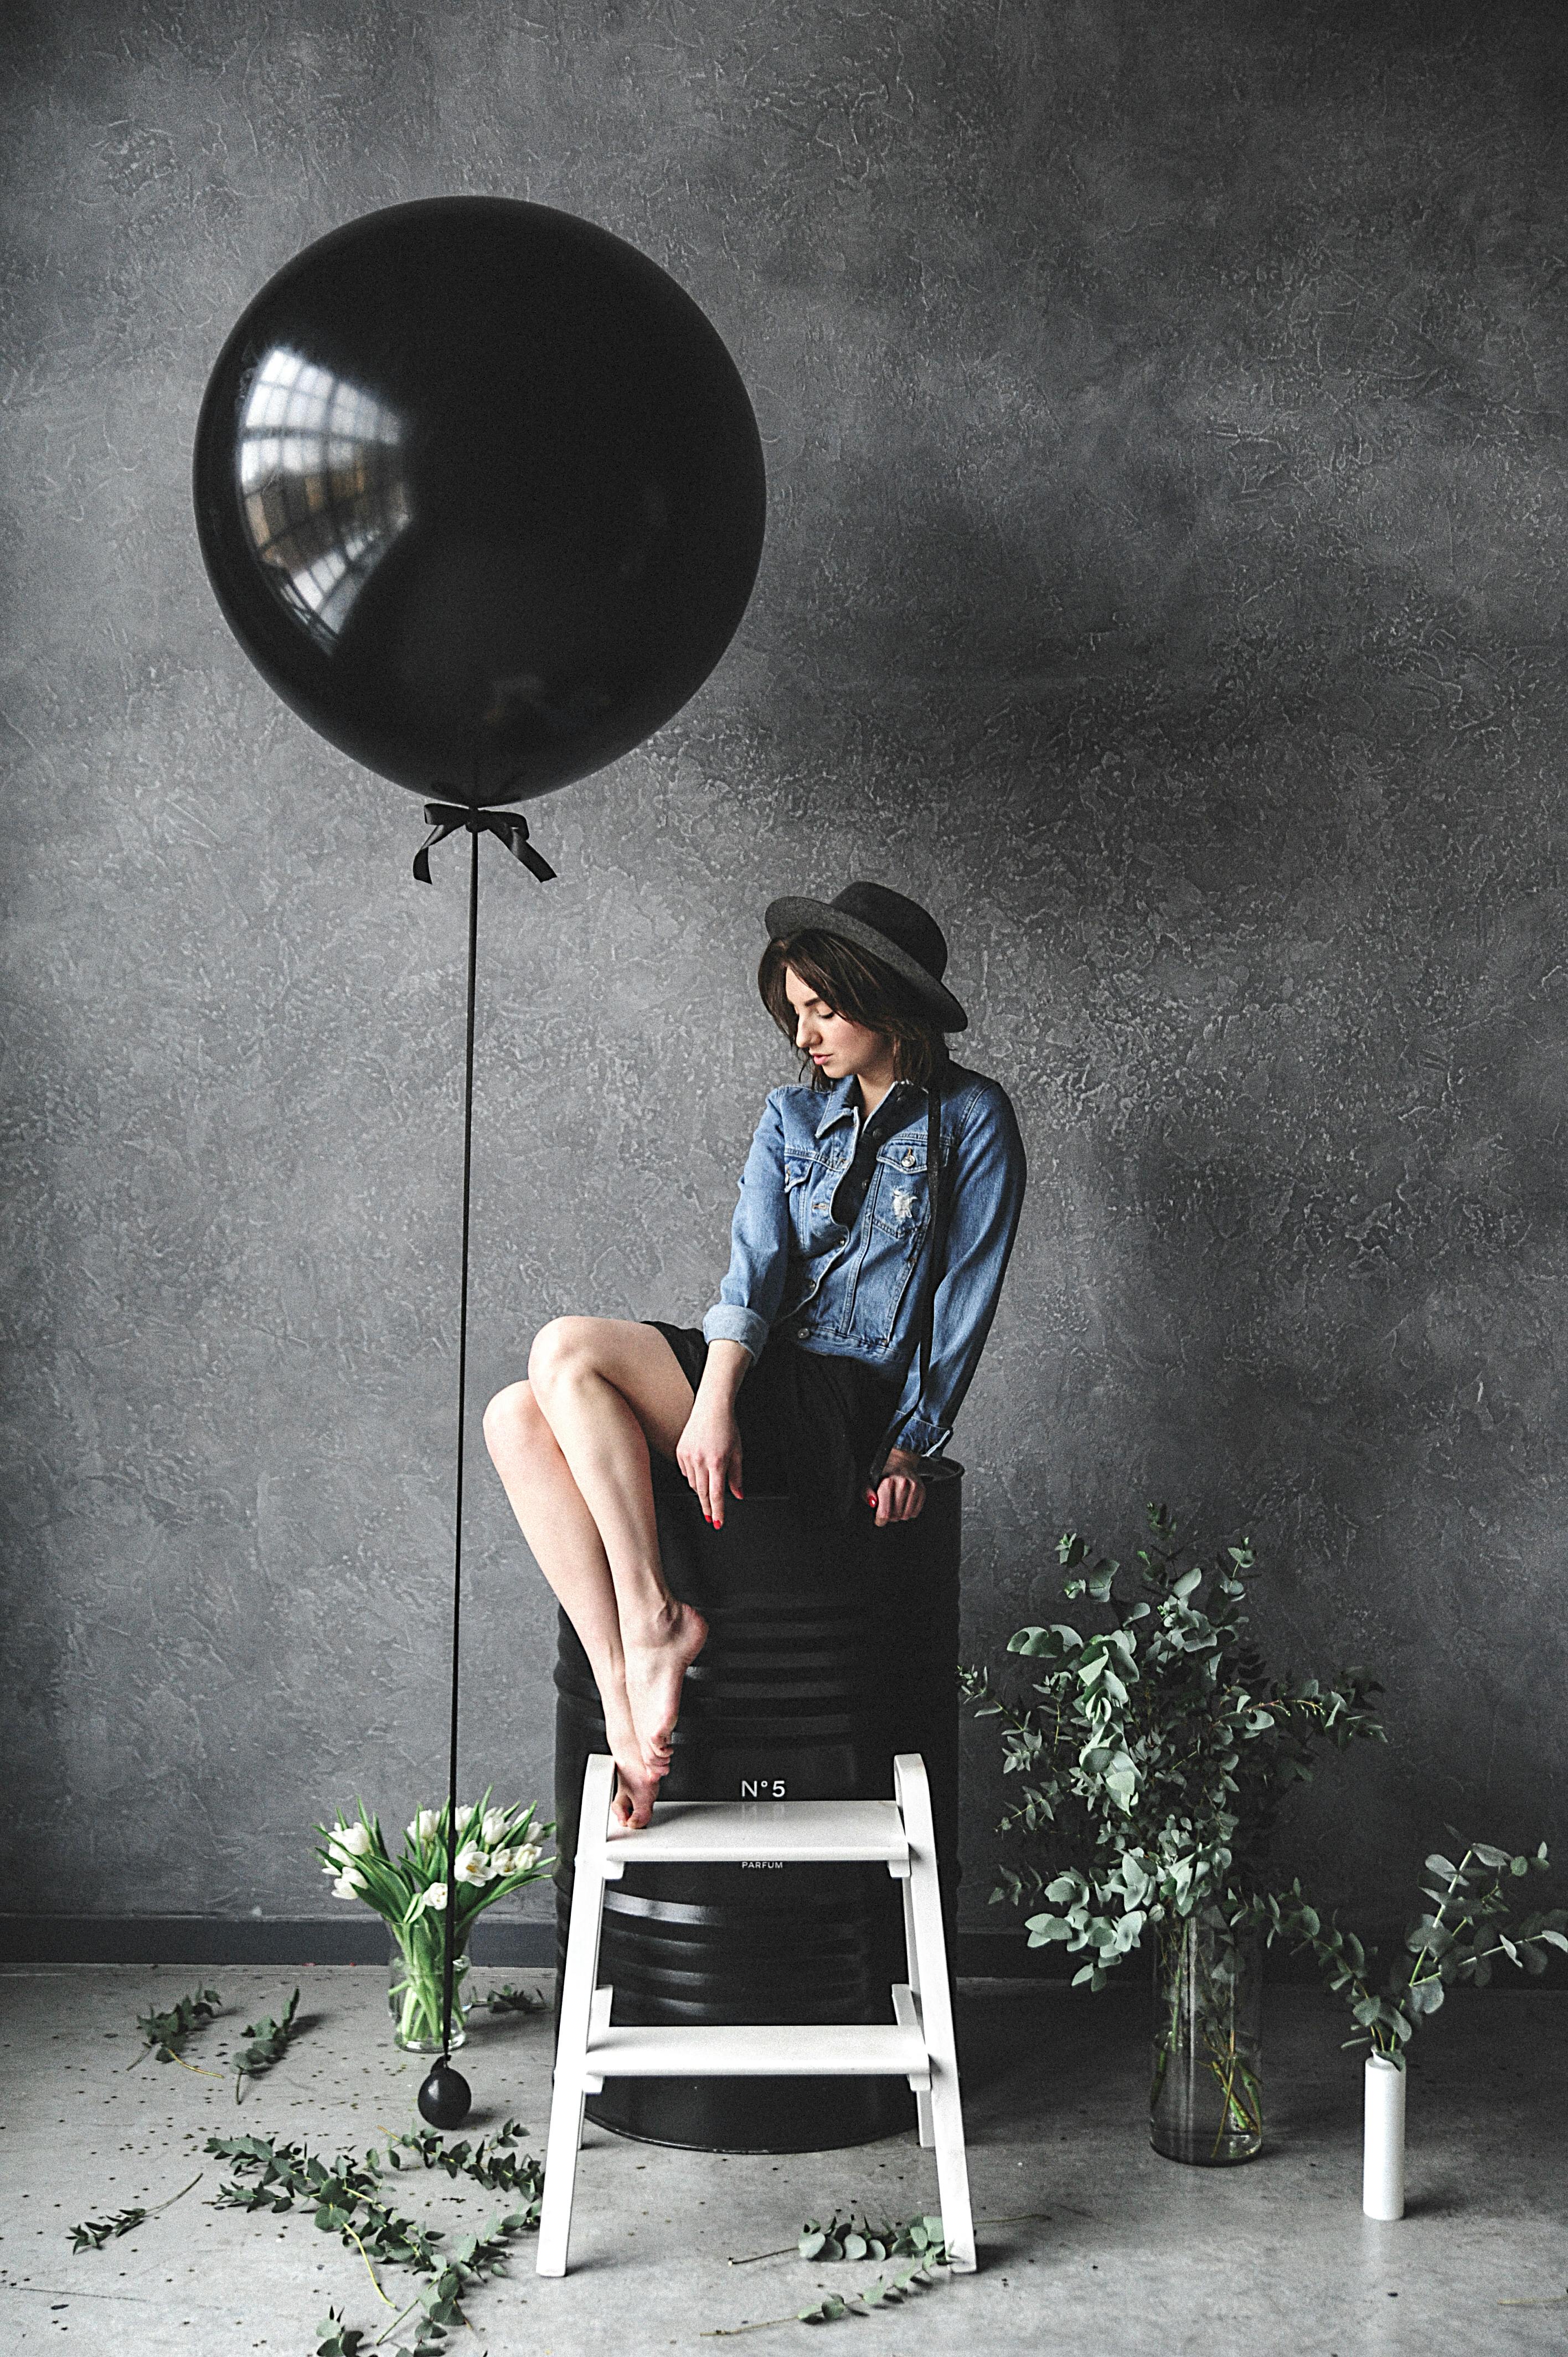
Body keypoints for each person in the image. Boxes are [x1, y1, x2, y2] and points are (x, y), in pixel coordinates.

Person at [483, 882, 1027, 1829]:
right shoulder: (789, 1116)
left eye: (823, 1008)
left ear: (881, 995)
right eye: (795, 1013)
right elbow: (754, 1269)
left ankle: (656, 1622)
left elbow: (963, 1301)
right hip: (766, 1374)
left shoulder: (971, 1120)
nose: (804, 1034)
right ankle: (621, 1690)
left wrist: (909, 1447)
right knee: (512, 1415)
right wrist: (715, 1396)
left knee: (564, 1350)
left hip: (847, 1397)